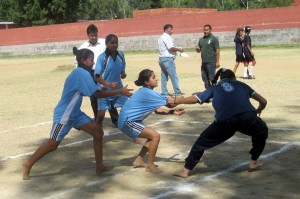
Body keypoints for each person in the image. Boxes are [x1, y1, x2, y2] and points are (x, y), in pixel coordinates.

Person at [22, 48, 133, 180]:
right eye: (91, 60)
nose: (93, 63)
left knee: (98, 132)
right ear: (83, 60)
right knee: (52, 144)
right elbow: (96, 95)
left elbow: (92, 90)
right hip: (65, 114)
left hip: (75, 113)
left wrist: (104, 87)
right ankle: (27, 164)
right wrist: (119, 91)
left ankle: (99, 166)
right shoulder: (81, 73)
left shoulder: (81, 73)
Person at [167, 68, 268, 178]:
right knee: (262, 131)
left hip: (226, 121)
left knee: (201, 142)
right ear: (233, 78)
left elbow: (196, 99)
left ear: (221, 79)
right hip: (248, 116)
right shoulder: (242, 84)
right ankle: (253, 162)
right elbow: (263, 101)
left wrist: (175, 100)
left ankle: (185, 170)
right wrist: (258, 111)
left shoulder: (214, 87)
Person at [118, 69, 184, 174]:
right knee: (155, 136)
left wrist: (171, 112)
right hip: (127, 121)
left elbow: (157, 110)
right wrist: (184, 100)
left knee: (151, 137)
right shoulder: (147, 93)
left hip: (132, 120)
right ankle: (150, 166)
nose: (156, 79)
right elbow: (170, 103)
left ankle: (139, 160)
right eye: (153, 77)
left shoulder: (147, 92)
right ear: (146, 82)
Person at [77, 24, 119, 125]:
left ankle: (116, 119)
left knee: (109, 94)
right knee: (94, 96)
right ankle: (98, 120)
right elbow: (78, 63)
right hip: (90, 73)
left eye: (96, 35)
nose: (94, 37)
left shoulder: (104, 44)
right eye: (92, 36)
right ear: (88, 35)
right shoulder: (83, 47)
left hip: (103, 72)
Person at [94, 34, 127, 128]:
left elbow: (122, 70)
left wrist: (123, 74)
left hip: (118, 88)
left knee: (127, 105)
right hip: (104, 90)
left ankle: (125, 125)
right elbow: (96, 77)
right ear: (106, 44)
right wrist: (107, 83)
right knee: (101, 115)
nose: (114, 45)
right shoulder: (102, 57)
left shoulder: (121, 55)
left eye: (116, 43)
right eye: (112, 43)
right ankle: (97, 131)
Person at [158, 24, 184, 97]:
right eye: (171, 29)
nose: (172, 31)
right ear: (166, 29)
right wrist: (179, 49)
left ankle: (164, 92)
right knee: (173, 76)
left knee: (164, 76)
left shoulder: (161, 37)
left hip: (162, 58)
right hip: (167, 59)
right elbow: (171, 48)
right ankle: (177, 92)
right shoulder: (167, 37)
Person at [196, 24, 220, 89]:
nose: (205, 31)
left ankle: (215, 91)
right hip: (204, 62)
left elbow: (217, 51)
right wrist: (197, 49)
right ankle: (208, 92)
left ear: (210, 30)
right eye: (204, 30)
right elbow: (198, 50)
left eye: (207, 30)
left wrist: (217, 62)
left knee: (212, 78)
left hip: (211, 62)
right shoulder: (201, 39)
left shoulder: (214, 39)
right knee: (205, 78)